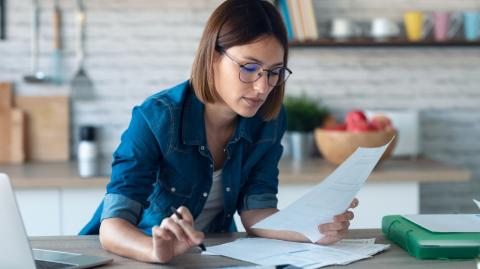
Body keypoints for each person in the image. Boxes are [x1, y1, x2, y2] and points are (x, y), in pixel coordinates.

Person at [80, 0, 358, 263]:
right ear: (213, 57)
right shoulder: (156, 118)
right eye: (250, 68)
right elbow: (113, 226)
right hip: (133, 255)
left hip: (208, 256)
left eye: (275, 71)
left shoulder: (269, 120)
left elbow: (255, 212)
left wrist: (313, 229)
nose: (263, 87)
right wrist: (154, 250)